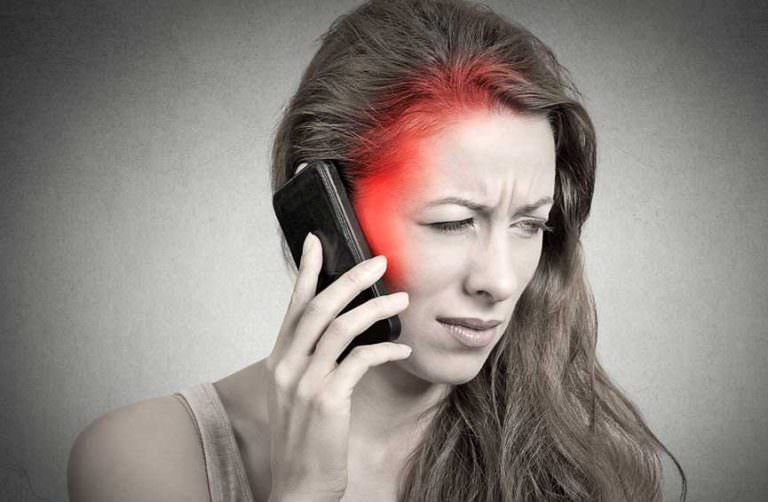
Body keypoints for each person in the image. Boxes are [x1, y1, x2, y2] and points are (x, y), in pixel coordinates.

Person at [67, 0, 687, 500]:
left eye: (530, 225)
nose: (500, 281)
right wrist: (304, 493)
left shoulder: (587, 469)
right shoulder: (143, 460)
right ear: (324, 213)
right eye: (452, 223)